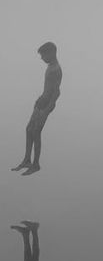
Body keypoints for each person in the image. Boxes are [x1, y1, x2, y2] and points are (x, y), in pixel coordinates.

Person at [12, 42, 62, 175]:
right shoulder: (50, 66)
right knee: (29, 129)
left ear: (52, 52)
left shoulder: (56, 69)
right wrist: (39, 99)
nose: (42, 58)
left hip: (46, 105)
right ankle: (27, 160)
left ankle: (36, 164)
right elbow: (47, 88)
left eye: (43, 55)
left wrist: (47, 109)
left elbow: (56, 92)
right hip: (41, 102)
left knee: (36, 132)